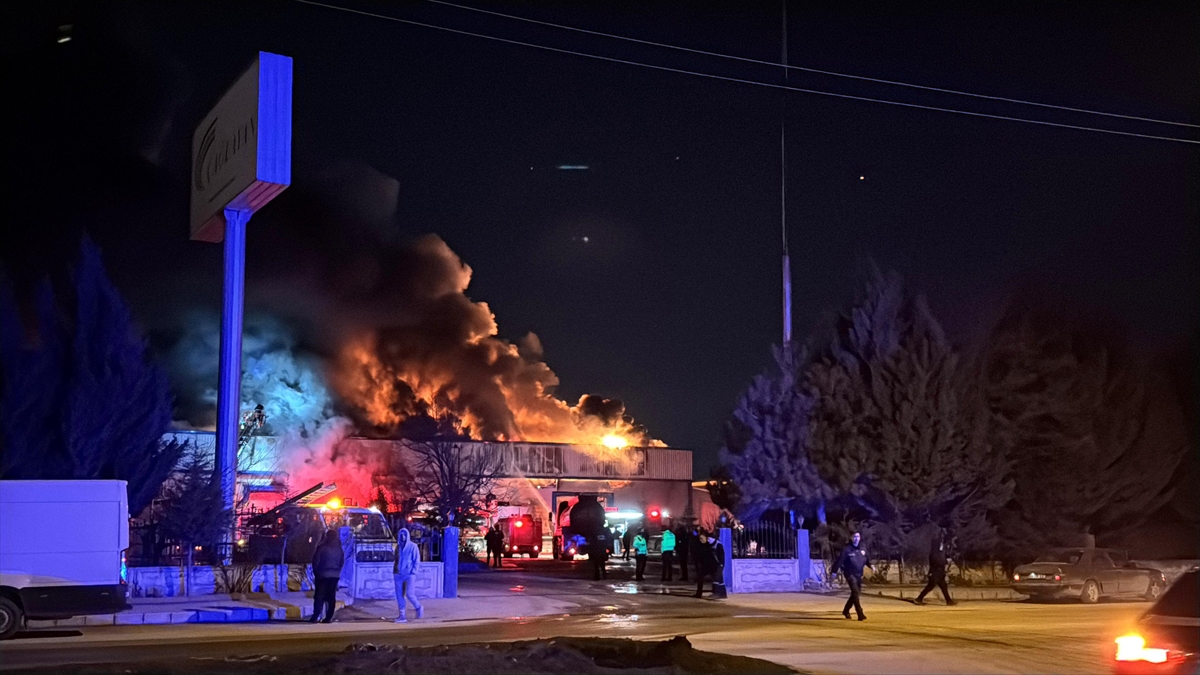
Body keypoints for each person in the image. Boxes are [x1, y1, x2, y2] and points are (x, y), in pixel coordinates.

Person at [831, 531, 872, 621]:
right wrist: (834, 572)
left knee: (855, 594)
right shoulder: (846, 549)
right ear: (851, 538)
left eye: (858, 536)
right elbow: (839, 561)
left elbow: (866, 558)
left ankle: (846, 610)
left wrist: (871, 565)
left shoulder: (863, 548)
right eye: (854, 536)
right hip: (850, 574)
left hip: (859, 574)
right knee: (855, 592)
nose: (856, 538)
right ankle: (860, 613)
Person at [310, 530, 344, 623]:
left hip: (322, 575)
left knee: (319, 596)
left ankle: (315, 616)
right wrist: (337, 571)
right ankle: (328, 617)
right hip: (334, 576)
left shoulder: (322, 548)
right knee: (331, 597)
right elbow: (341, 562)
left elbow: (316, 561)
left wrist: (316, 572)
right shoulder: (339, 548)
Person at [915, 530, 956, 606]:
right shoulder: (934, 553)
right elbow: (937, 561)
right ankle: (919, 598)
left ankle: (949, 601)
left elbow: (941, 559)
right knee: (931, 586)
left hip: (939, 572)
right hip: (935, 572)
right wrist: (945, 561)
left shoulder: (939, 552)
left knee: (943, 586)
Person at [393, 527, 424, 623]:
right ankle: (402, 615)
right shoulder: (398, 547)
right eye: (401, 534)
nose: (402, 536)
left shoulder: (413, 546)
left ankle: (418, 607)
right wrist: (395, 570)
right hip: (398, 574)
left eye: (404, 534)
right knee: (399, 595)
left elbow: (416, 560)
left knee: (410, 594)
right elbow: (396, 559)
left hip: (409, 575)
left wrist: (413, 572)